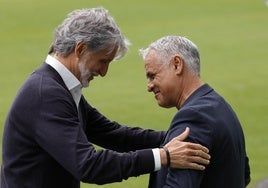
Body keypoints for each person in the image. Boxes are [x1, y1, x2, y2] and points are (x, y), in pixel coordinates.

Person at [0, 8, 211, 188]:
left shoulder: (58, 87)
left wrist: (186, 137)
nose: (104, 72)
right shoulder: (46, 94)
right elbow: (88, 165)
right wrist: (164, 156)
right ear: (80, 49)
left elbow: (114, 134)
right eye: (103, 61)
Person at [139, 36, 251, 188]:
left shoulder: (193, 118)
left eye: (152, 76)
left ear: (177, 65)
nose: (149, 86)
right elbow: (244, 175)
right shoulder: (219, 105)